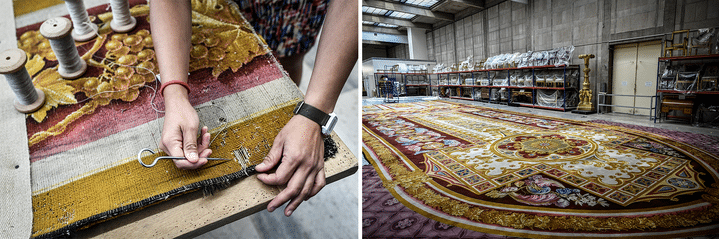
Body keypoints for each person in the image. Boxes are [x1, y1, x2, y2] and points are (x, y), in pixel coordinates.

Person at [149, 0, 357, 217]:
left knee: (287, 61)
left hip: (295, 7)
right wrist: (175, 95)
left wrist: (314, 114)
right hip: (231, 6)